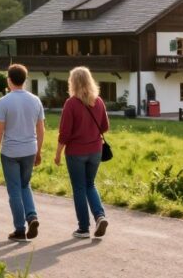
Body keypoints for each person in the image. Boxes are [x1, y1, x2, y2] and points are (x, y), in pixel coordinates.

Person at [0, 64, 45, 242]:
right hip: (30, 149)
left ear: (9, 80)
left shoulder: (4, 102)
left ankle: (20, 229)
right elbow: (41, 129)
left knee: (14, 190)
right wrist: (39, 151)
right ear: (25, 79)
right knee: (25, 184)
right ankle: (32, 216)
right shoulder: (35, 100)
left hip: (11, 152)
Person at [55, 67, 110, 239]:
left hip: (76, 153)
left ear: (73, 82)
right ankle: (100, 216)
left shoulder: (71, 103)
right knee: (90, 184)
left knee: (79, 188)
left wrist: (57, 154)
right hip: (95, 151)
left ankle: (83, 228)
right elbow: (105, 126)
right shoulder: (98, 101)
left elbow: (65, 133)